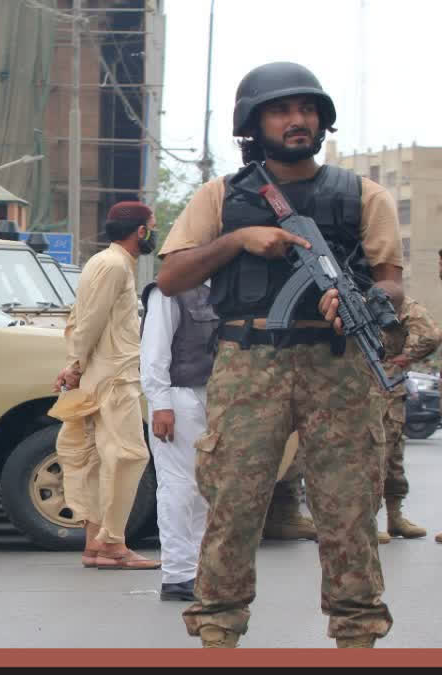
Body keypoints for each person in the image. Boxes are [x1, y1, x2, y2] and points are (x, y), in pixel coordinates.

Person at [156, 61, 401, 648]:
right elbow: (170, 277)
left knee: (347, 512)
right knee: (234, 506)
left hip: (337, 364)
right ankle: (218, 631)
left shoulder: (364, 195)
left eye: (307, 110)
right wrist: (239, 240)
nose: (298, 121)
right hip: (249, 362)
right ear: (253, 122)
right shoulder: (220, 196)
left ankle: (357, 635)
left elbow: (392, 282)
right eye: (282, 110)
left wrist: (361, 296)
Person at [52, 201, 160, 571]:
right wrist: (73, 365)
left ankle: (94, 545)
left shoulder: (104, 263)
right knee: (128, 456)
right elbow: (90, 321)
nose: (154, 233)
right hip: (113, 378)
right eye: (153, 226)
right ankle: (113, 544)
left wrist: (75, 366)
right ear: (141, 232)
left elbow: (80, 318)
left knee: (96, 459)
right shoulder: (113, 265)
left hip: (102, 376)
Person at [140, 280, 213, 601]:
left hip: (210, 397)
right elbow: (153, 351)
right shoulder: (169, 289)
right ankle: (177, 574)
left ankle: (196, 568)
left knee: (203, 488)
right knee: (178, 485)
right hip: (178, 397)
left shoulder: (220, 287)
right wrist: (160, 404)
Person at [374, 296, 440, 543]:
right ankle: (378, 519)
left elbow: (430, 335)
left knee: (385, 454)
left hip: (378, 382)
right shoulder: (393, 298)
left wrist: (404, 358)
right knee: (383, 453)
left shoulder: (390, 298)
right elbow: (430, 335)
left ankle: (392, 517)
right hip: (385, 384)